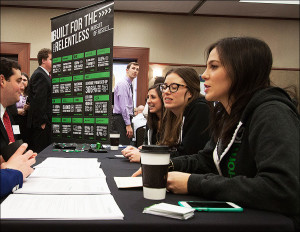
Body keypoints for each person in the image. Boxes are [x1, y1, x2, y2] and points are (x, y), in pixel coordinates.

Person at [157, 37, 299, 225]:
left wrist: (193, 183)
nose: (204, 75)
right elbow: (207, 160)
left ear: (242, 70)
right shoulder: (227, 114)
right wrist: (164, 165)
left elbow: (282, 188)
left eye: (214, 67)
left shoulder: (272, 113)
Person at [0, 58, 37, 198]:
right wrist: (11, 173)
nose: (22, 86)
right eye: (18, 81)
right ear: (2, 80)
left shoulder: (7, 113)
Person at [160, 67, 210, 157]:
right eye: (165, 87)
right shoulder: (171, 112)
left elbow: (188, 154)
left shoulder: (201, 109)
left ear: (190, 92)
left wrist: (149, 156)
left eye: (174, 87)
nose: (166, 92)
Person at [122, 83, 164, 162]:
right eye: (148, 97)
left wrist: (145, 155)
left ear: (163, 99)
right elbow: (146, 145)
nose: (148, 101)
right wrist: (135, 150)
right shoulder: (150, 122)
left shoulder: (173, 124)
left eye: (153, 97)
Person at [27, 48, 52, 153]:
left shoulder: (44, 75)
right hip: (41, 125)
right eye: (51, 59)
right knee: (40, 153)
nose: (53, 62)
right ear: (43, 60)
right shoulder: (40, 75)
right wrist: (42, 122)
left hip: (43, 123)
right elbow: (38, 100)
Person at [112, 62, 139, 145]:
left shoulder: (129, 84)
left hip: (124, 119)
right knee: (122, 146)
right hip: (121, 119)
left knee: (126, 145)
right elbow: (124, 106)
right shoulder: (123, 84)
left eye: (137, 69)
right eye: (133, 68)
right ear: (127, 70)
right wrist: (128, 124)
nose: (135, 71)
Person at [13, 72, 30, 143]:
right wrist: (17, 111)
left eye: (25, 80)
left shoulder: (30, 94)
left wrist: (29, 108)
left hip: (26, 121)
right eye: (20, 80)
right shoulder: (14, 93)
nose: (22, 82)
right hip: (16, 119)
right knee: (17, 138)